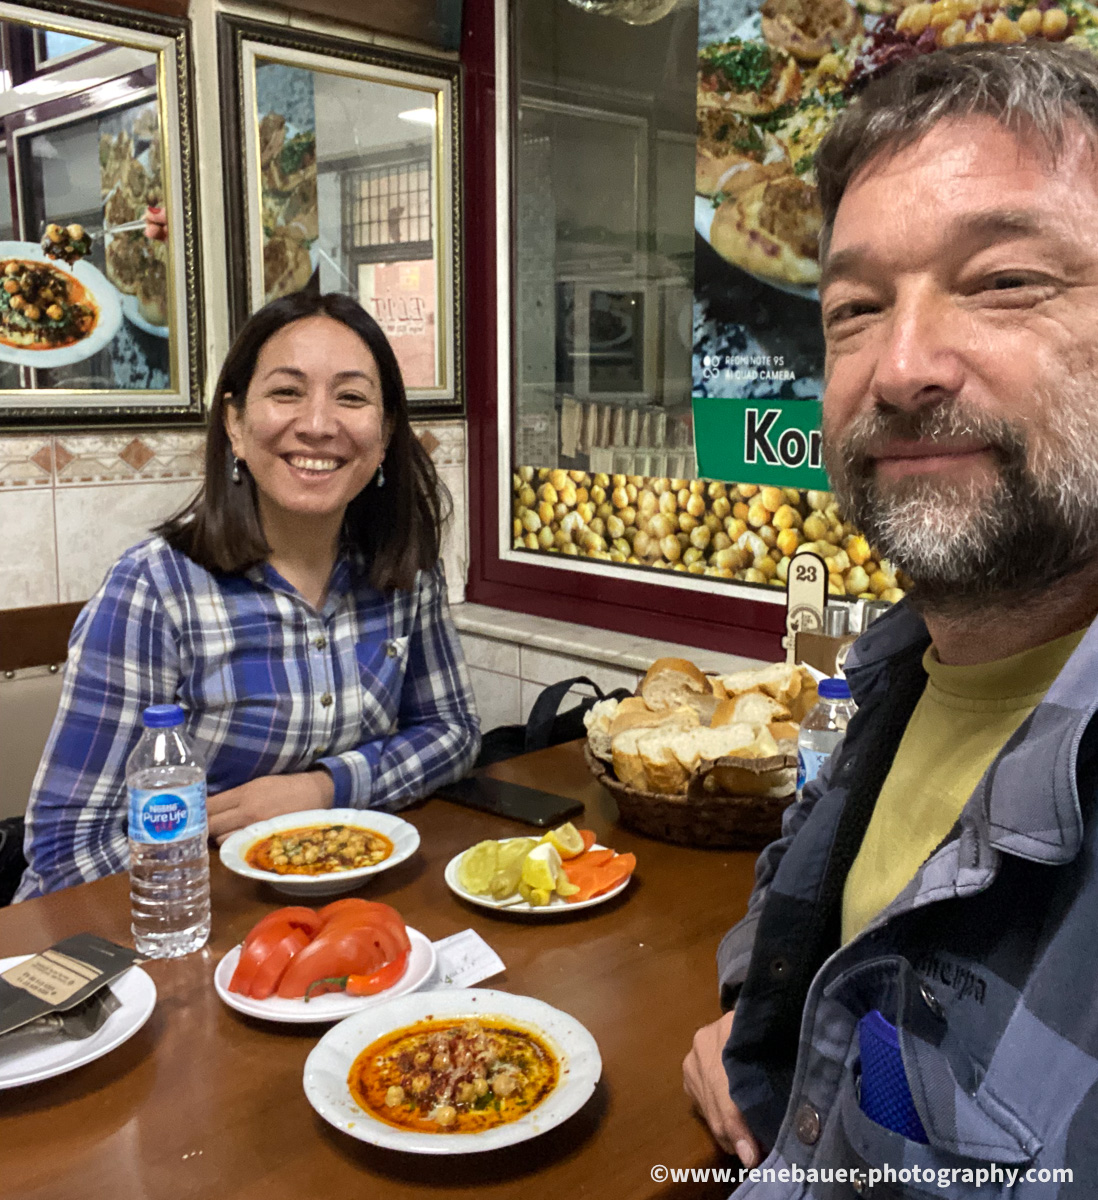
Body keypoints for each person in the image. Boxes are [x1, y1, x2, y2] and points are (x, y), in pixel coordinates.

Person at [684, 42, 1098, 1195]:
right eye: (855, 308)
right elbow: (808, 873)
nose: (901, 366)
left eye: (1004, 281)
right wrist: (767, 1015)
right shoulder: (895, 662)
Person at [16, 291, 480, 899]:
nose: (318, 424)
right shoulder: (155, 591)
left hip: (341, 906)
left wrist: (324, 789)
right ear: (234, 424)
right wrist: (214, 860)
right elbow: (67, 849)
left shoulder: (404, 569)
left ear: (386, 431)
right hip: (175, 919)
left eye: (351, 397)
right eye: (287, 392)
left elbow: (452, 731)